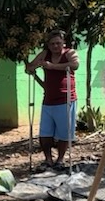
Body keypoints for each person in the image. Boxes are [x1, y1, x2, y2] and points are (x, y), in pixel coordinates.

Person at [25, 29, 79, 170]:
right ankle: (48, 159)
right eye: (52, 44)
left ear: (63, 43)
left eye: (58, 43)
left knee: (64, 132)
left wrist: (52, 66)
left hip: (66, 99)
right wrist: (34, 68)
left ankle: (60, 160)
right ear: (48, 45)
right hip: (48, 99)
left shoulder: (70, 53)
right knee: (45, 133)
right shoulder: (45, 54)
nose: (55, 46)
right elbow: (30, 66)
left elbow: (75, 65)